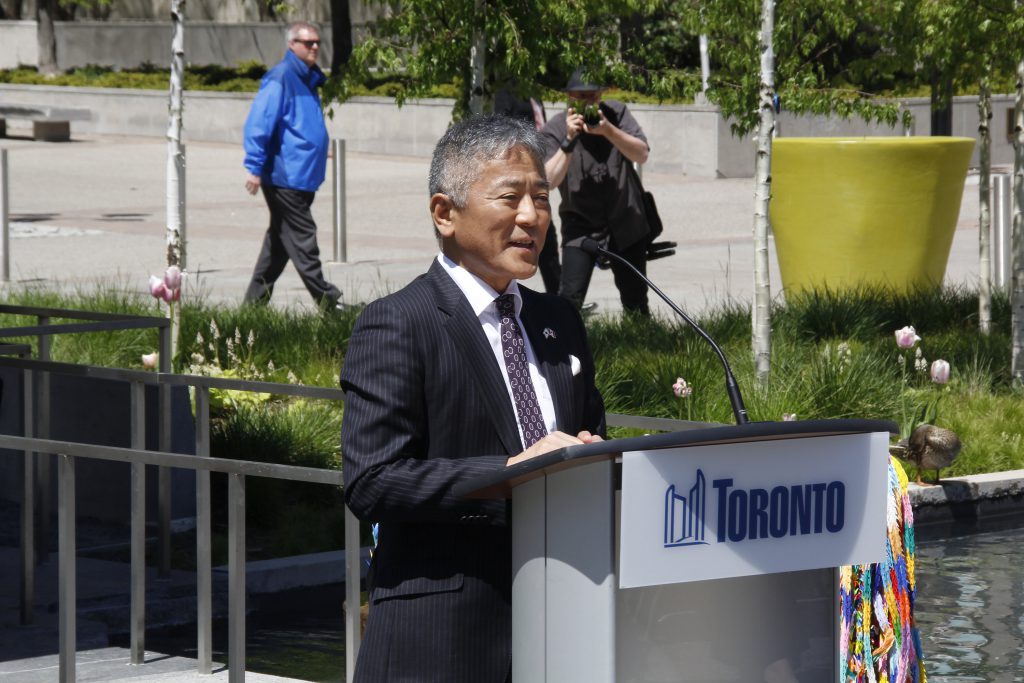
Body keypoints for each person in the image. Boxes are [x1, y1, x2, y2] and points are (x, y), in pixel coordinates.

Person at [341, 114, 606, 683]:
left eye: (542, 198)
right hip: (441, 643)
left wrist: (591, 456)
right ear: (445, 213)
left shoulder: (558, 320)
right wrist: (509, 475)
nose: (533, 217)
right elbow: (372, 480)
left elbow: (588, 436)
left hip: (559, 630)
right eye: (511, 198)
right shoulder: (397, 323)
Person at [242, 21, 343, 309]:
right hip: (284, 177)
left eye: (316, 42)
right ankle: (328, 302)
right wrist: (254, 166)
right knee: (303, 239)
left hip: (302, 174)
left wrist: (318, 150)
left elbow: (299, 126)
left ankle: (252, 307)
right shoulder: (281, 77)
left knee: (278, 245)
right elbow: (259, 124)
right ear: (291, 44)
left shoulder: (308, 78)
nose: (313, 47)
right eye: (306, 42)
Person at [540, 69, 652, 315]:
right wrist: (568, 141)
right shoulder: (556, 128)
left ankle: (642, 348)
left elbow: (641, 154)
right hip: (580, 226)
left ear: (601, 95)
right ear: (569, 97)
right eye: (580, 97)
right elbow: (546, 182)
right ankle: (566, 348)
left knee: (636, 303)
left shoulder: (616, 113)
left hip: (626, 221)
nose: (587, 103)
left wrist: (609, 131)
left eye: (592, 96)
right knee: (569, 301)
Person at [494, 87, 562, 295]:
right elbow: (501, 128)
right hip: (516, 168)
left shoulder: (535, 93)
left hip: (536, 167)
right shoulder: (507, 91)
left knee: (547, 244)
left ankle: (559, 298)